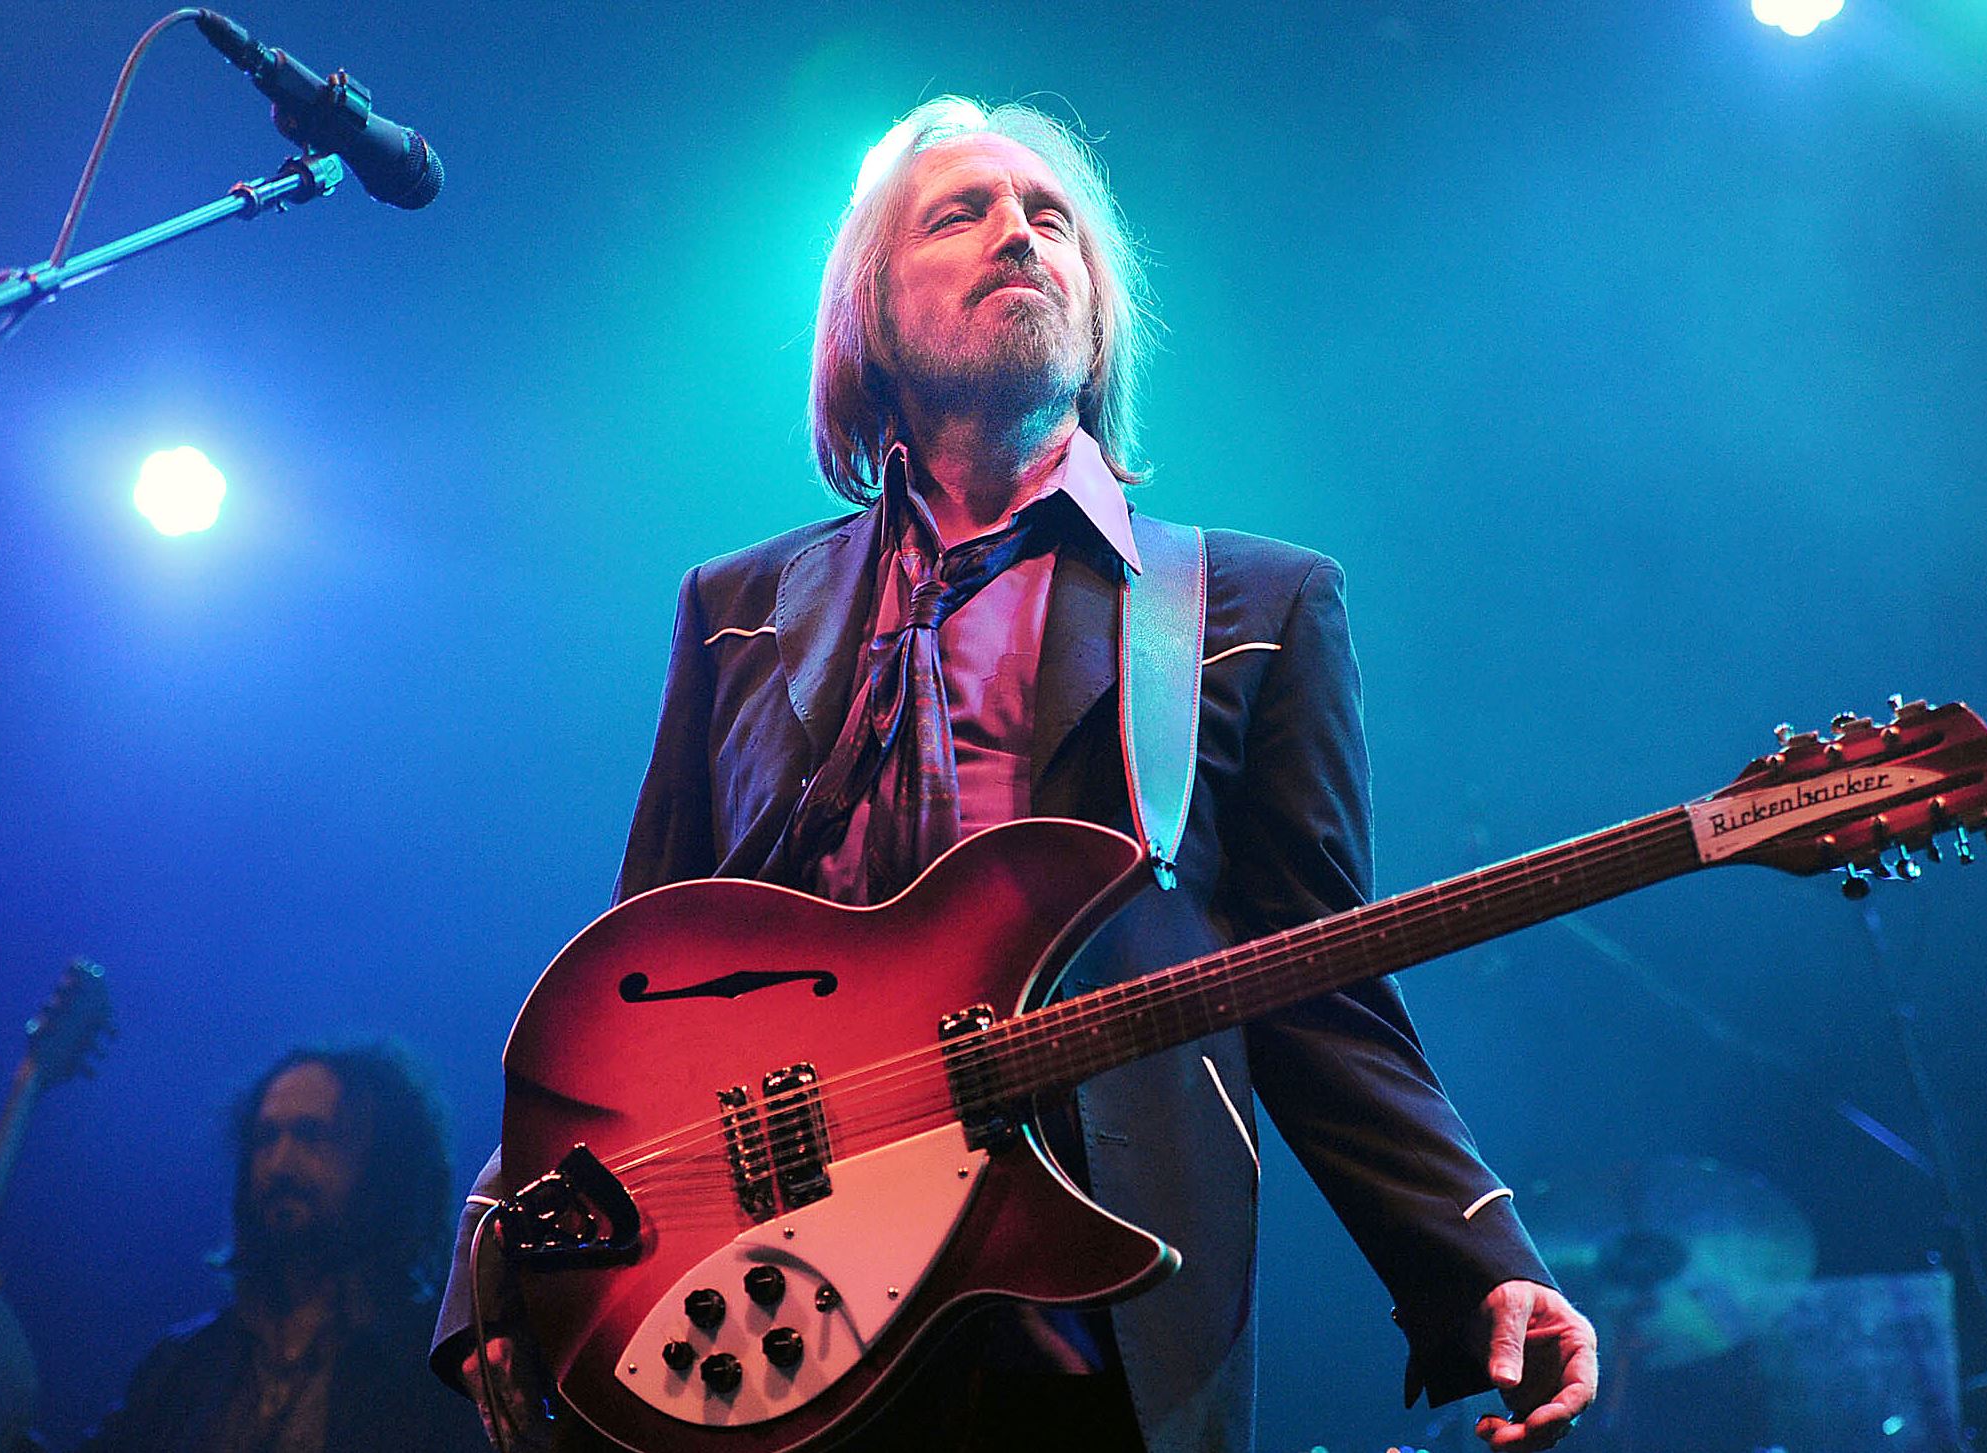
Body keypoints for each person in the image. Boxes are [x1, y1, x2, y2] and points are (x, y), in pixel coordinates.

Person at [435, 96, 1597, 1453]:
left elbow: (1317, 979)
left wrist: (1478, 1257)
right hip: (767, 1308)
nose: (1019, 234)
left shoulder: (1248, 608)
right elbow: (637, 974)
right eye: (961, 213)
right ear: (870, 312)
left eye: (1051, 218)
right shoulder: (736, 611)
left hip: (1085, 1304)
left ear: (1096, 315)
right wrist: (502, 1244)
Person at [78, 1043, 485, 1453]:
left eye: (311, 1136)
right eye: (265, 1138)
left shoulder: (440, 1364)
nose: (280, 1164)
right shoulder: (184, 1366)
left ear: (383, 1164)